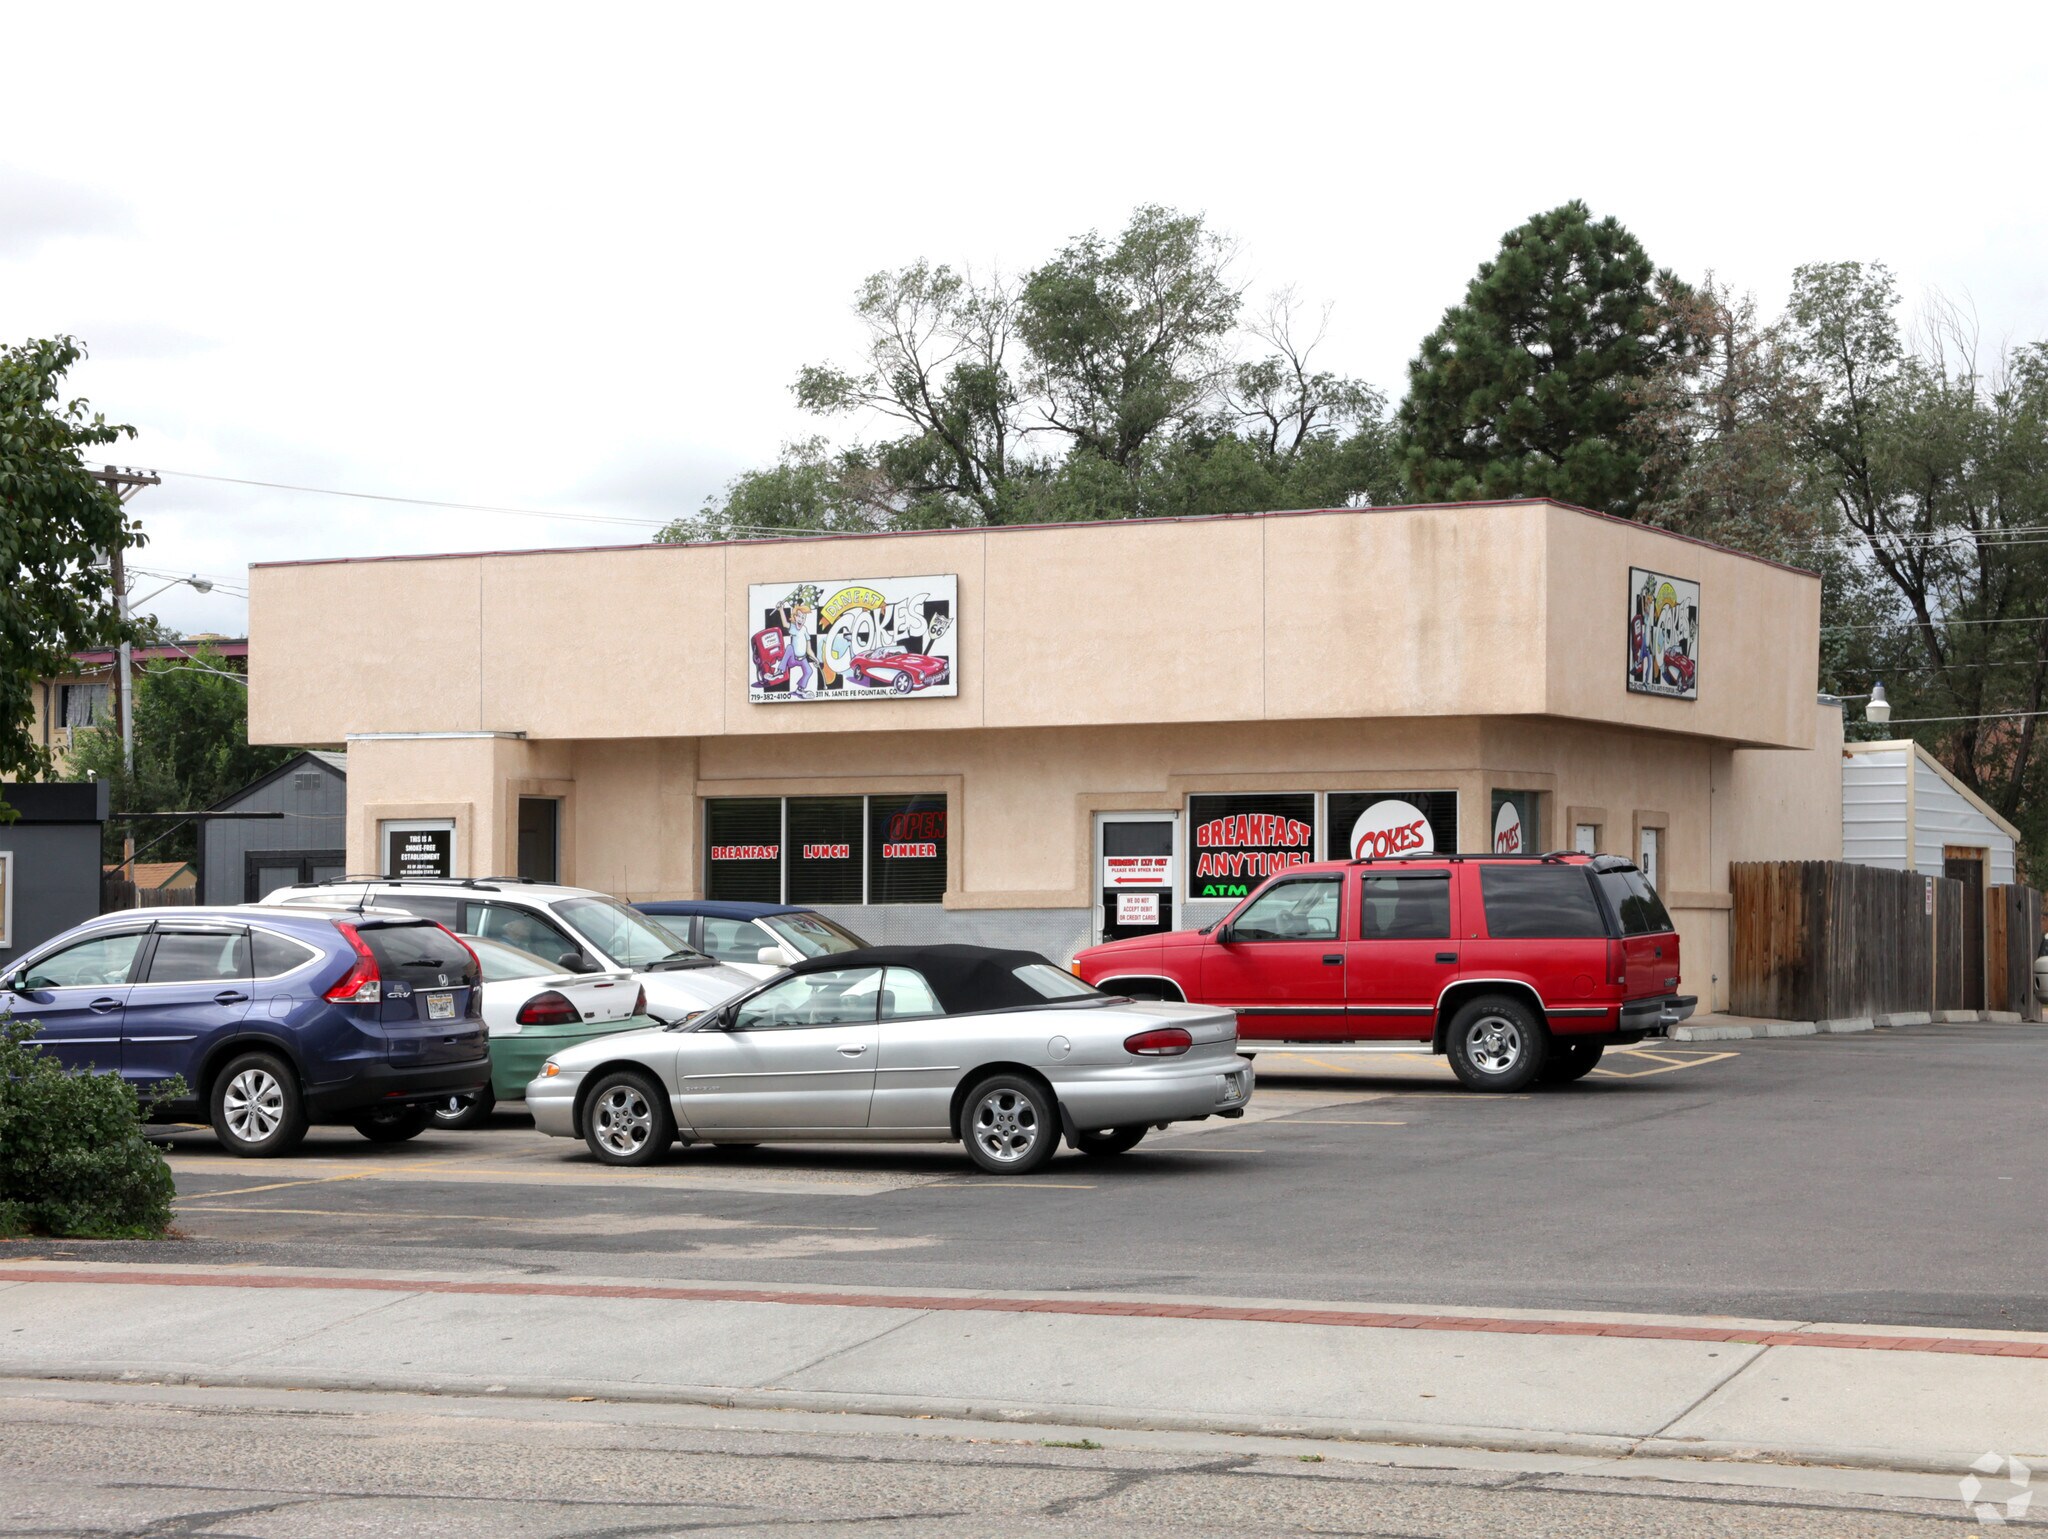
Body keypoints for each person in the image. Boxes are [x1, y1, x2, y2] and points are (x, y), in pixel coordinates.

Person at [775, 584, 822, 697]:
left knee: (809, 671)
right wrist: (781, 610)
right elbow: (785, 624)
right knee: (790, 647)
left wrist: (815, 659)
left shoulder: (804, 630)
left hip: (802, 659)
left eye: (803, 617)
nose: (801, 619)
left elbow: (809, 649)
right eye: (799, 616)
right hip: (792, 659)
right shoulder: (793, 627)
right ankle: (780, 671)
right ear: (794, 617)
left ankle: (800, 689)